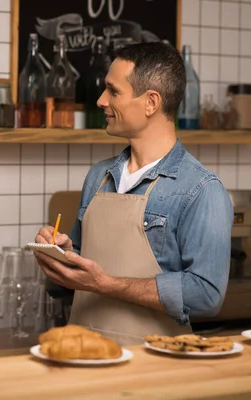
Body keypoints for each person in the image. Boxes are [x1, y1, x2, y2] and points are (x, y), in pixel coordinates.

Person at [34, 42, 233, 345]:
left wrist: (105, 284)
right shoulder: (98, 177)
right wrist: (60, 257)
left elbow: (206, 295)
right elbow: (69, 286)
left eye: (113, 91)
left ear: (151, 102)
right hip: (84, 357)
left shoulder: (201, 190)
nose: (101, 101)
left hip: (157, 369)